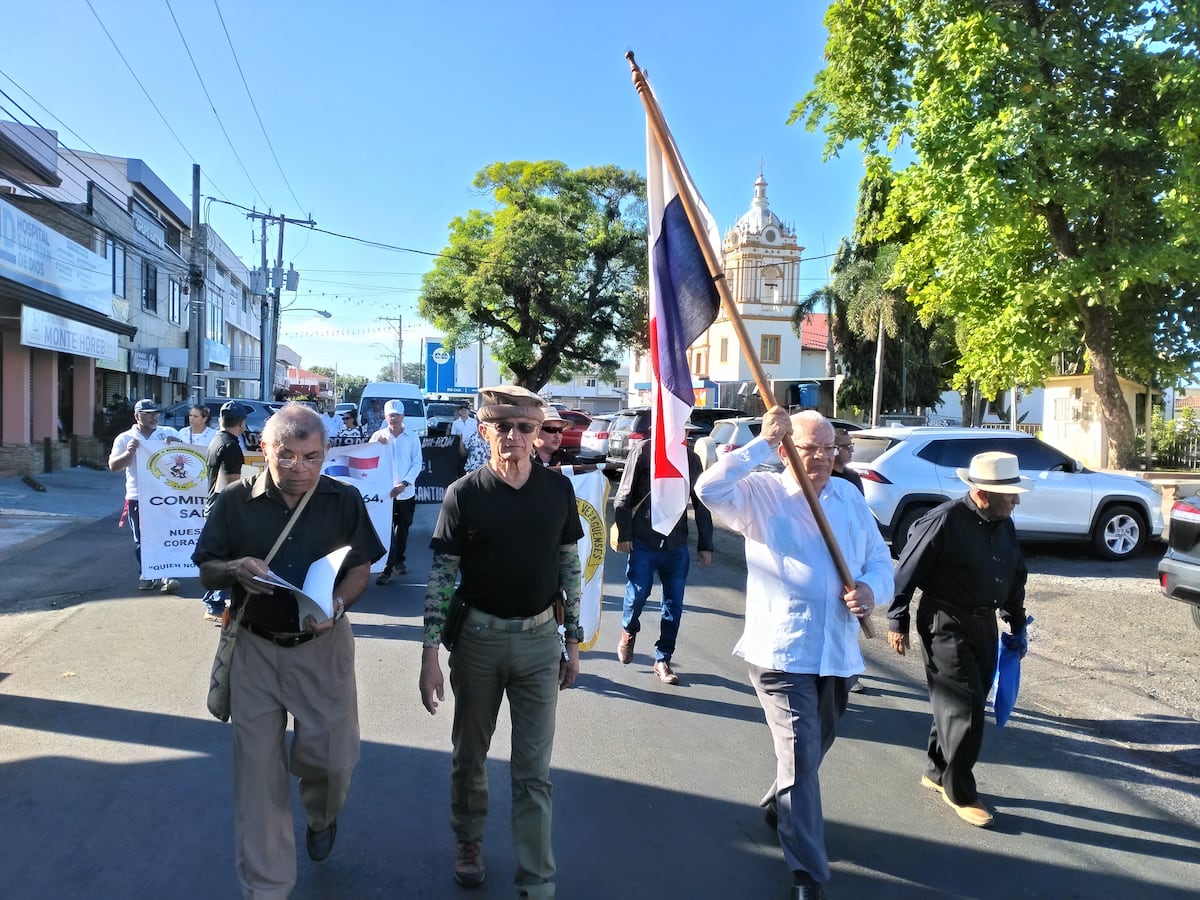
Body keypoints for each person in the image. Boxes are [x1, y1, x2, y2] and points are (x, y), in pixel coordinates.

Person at [695, 408, 892, 900]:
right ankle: (808, 872)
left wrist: (870, 591)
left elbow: (879, 561)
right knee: (803, 756)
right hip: (782, 652)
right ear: (786, 451)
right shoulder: (759, 495)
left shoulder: (848, 497)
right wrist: (760, 443)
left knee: (812, 748)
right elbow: (708, 489)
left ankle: (778, 803)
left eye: (830, 449)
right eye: (811, 449)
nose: (823, 458)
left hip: (837, 652)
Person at [192, 404, 385, 899]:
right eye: (288, 456)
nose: (300, 467)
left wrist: (339, 603)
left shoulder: (343, 500)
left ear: (324, 454)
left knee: (332, 762)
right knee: (257, 781)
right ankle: (267, 888)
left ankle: (322, 814)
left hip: (323, 645)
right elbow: (207, 567)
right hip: (255, 647)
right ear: (264, 449)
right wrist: (236, 568)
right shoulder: (234, 501)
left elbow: (361, 568)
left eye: (312, 457)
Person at [419, 385, 583, 897]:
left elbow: (568, 567)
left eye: (525, 428)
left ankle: (537, 879)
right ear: (484, 430)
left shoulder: (558, 493)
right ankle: (468, 839)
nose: (512, 437)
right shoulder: (464, 494)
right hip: (478, 641)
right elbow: (442, 577)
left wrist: (572, 640)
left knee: (534, 771)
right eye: (502, 427)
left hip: (538, 643)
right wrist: (429, 654)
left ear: (538, 435)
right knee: (470, 753)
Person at [887, 451, 1031, 829]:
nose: (1017, 500)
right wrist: (896, 619)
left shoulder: (1003, 522)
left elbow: (1014, 574)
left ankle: (936, 772)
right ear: (982, 493)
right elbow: (907, 568)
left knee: (960, 703)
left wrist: (1015, 621)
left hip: (984, 624)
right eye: (1010, 494)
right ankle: (960, 792)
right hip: (945, 622)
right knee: (965, 708)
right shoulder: (945, 520)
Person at [612, 436, 714, 685]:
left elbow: (701, 503)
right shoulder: (644, 450)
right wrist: (625, 534)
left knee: (674, 605)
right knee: (637, 595)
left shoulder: (690, 459)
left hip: (676, 545)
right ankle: (628, 630)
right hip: (643, 540)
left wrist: (705, 544)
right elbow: (623, 494)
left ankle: (662, 658)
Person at [107, 399, 183, 593]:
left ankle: (168, 573)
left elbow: (187, 456)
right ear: (137, 416)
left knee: (167, 535)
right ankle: (148, 573)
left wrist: (177, 445)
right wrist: (129, 453)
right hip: (138, 496)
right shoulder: (125, 438)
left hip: (165, 495)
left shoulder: (167, 433)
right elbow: (114, 466)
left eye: (156, 413)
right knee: (142, 539)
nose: (153, 417)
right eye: (148, 413)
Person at [199, 401, 250, 622]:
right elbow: (233, 484)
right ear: (241, 423)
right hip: (225, 508)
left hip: (215, 505)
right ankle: (215, 605)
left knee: (221, 555)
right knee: (229, 557)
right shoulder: (230, 446)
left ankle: (213, 602)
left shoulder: (217, 440)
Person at [370, 399, 423, 585]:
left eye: (397, 415)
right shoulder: (378, 436)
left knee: (403, 529)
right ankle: (387, 568)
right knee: (387, 531)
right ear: (385, 417)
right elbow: (369, 461)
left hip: (405, 493)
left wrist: (405, 483)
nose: (394, 418)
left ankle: (398, 560)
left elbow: (417, 463)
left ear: (403, 416)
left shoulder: (412, 437)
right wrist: (378, 445)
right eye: (390, 415)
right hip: (385, 494)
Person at [831, 428, 863, 494]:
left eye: (851, 445)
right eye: (847, 446)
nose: (851, 450)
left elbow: (860, 502)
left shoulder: (853, 475)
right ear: (834, 449)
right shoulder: (825, 477)